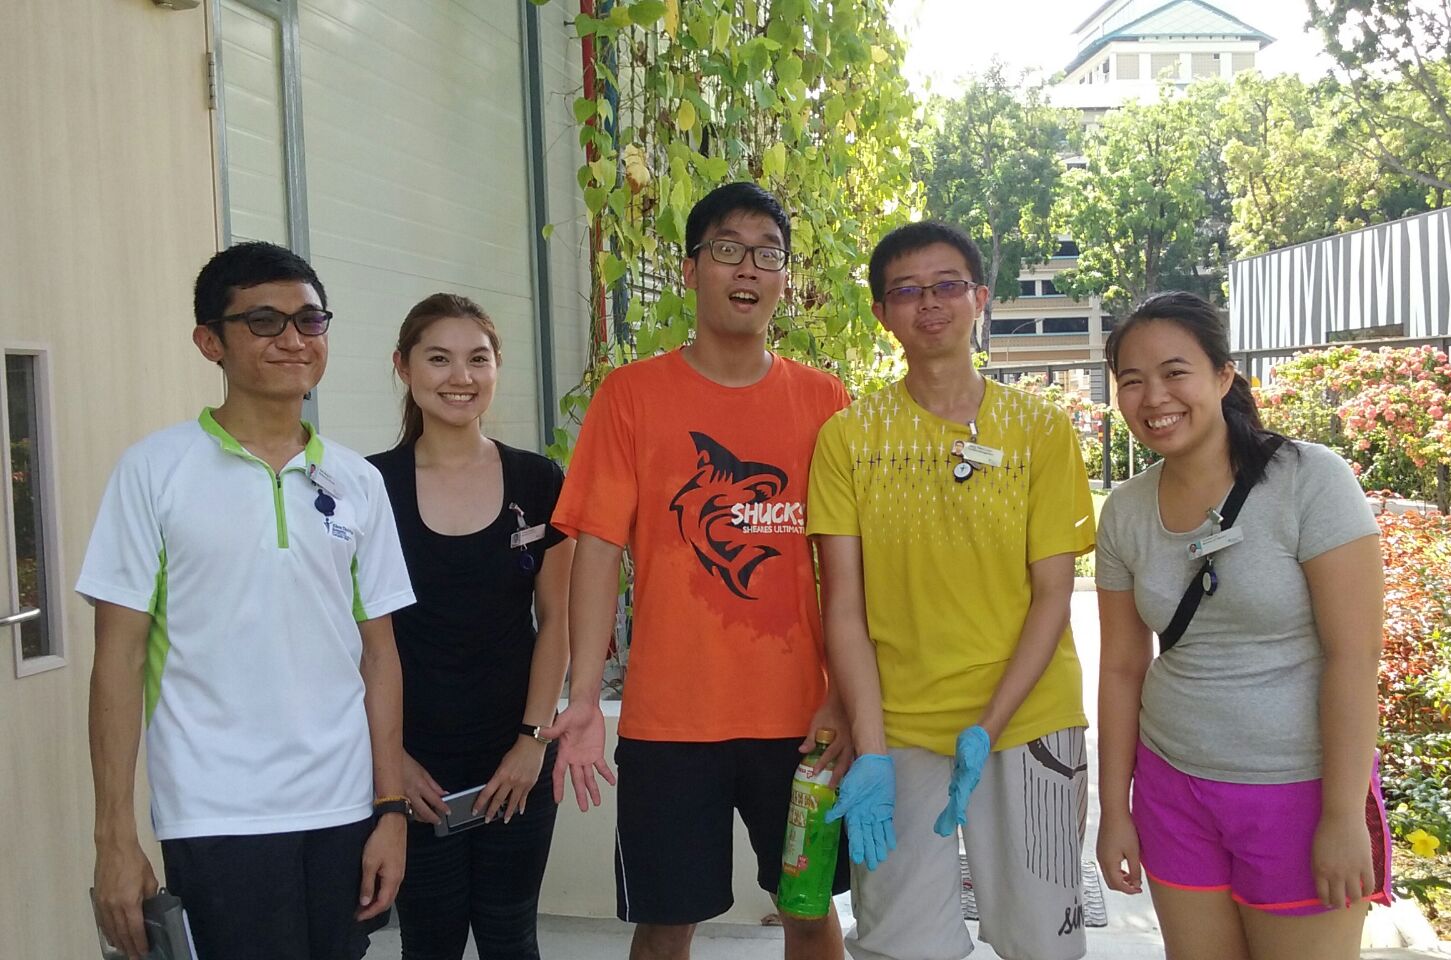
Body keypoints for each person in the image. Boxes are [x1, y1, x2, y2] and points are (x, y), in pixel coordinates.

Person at [545, 181, 853, 960]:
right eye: (726, 250)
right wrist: (583, 696)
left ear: (784, 278)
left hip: (801, 722)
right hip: (670, 721)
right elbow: (597, 549)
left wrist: (845, 696)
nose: (747, 268)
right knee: (665, 923)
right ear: (690, 270)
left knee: (809, 911)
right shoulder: (632, 396)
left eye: (767, 254)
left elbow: (849, 571)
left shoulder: (824, 401)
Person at [81, 242, 414, 960]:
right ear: (211, 342)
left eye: (310, 320)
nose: (294, 339)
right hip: (215, 814)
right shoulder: (154, 472)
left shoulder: (357, 482)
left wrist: (389, 810)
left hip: (343, 809)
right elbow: (118, 661)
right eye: (264, 321)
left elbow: (379, 655)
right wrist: (114, 836)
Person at [809, 221, 1098, 960]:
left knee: (1043, 944)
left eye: (947, 286)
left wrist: (989, 725)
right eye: (906, 291)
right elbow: (844, 606)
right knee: (900, 945)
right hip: (899, 728)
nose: (929, 304)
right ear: (882, 312)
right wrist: (870, 750)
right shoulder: (849, 437)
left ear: (980, 298)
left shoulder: (1039, 430)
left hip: (1029, 720)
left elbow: (1052, 596)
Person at [1094, 291, 1392, 960]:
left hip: (1299, 793)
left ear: (1223, 375)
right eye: (1132, 380)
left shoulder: (1310, 479)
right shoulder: (1125, 511)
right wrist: (1115, 809)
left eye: (1175, 372)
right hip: (1172, 789)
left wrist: (1343, 815)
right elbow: (1121, 667)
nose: (1153, 397)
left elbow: (1354, 656)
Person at [368, 293, 573, 959]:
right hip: (414, 769)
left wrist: (532, 742)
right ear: (403, 367)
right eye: (439, 359)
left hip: (514, 759)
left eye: (478, 359)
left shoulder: (538, 481)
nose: (460, 377)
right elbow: (354, 642)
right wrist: (391, 764)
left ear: (496, 368)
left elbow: (557, 622)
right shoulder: (369, 487)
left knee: (512, 937)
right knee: (430, 943)